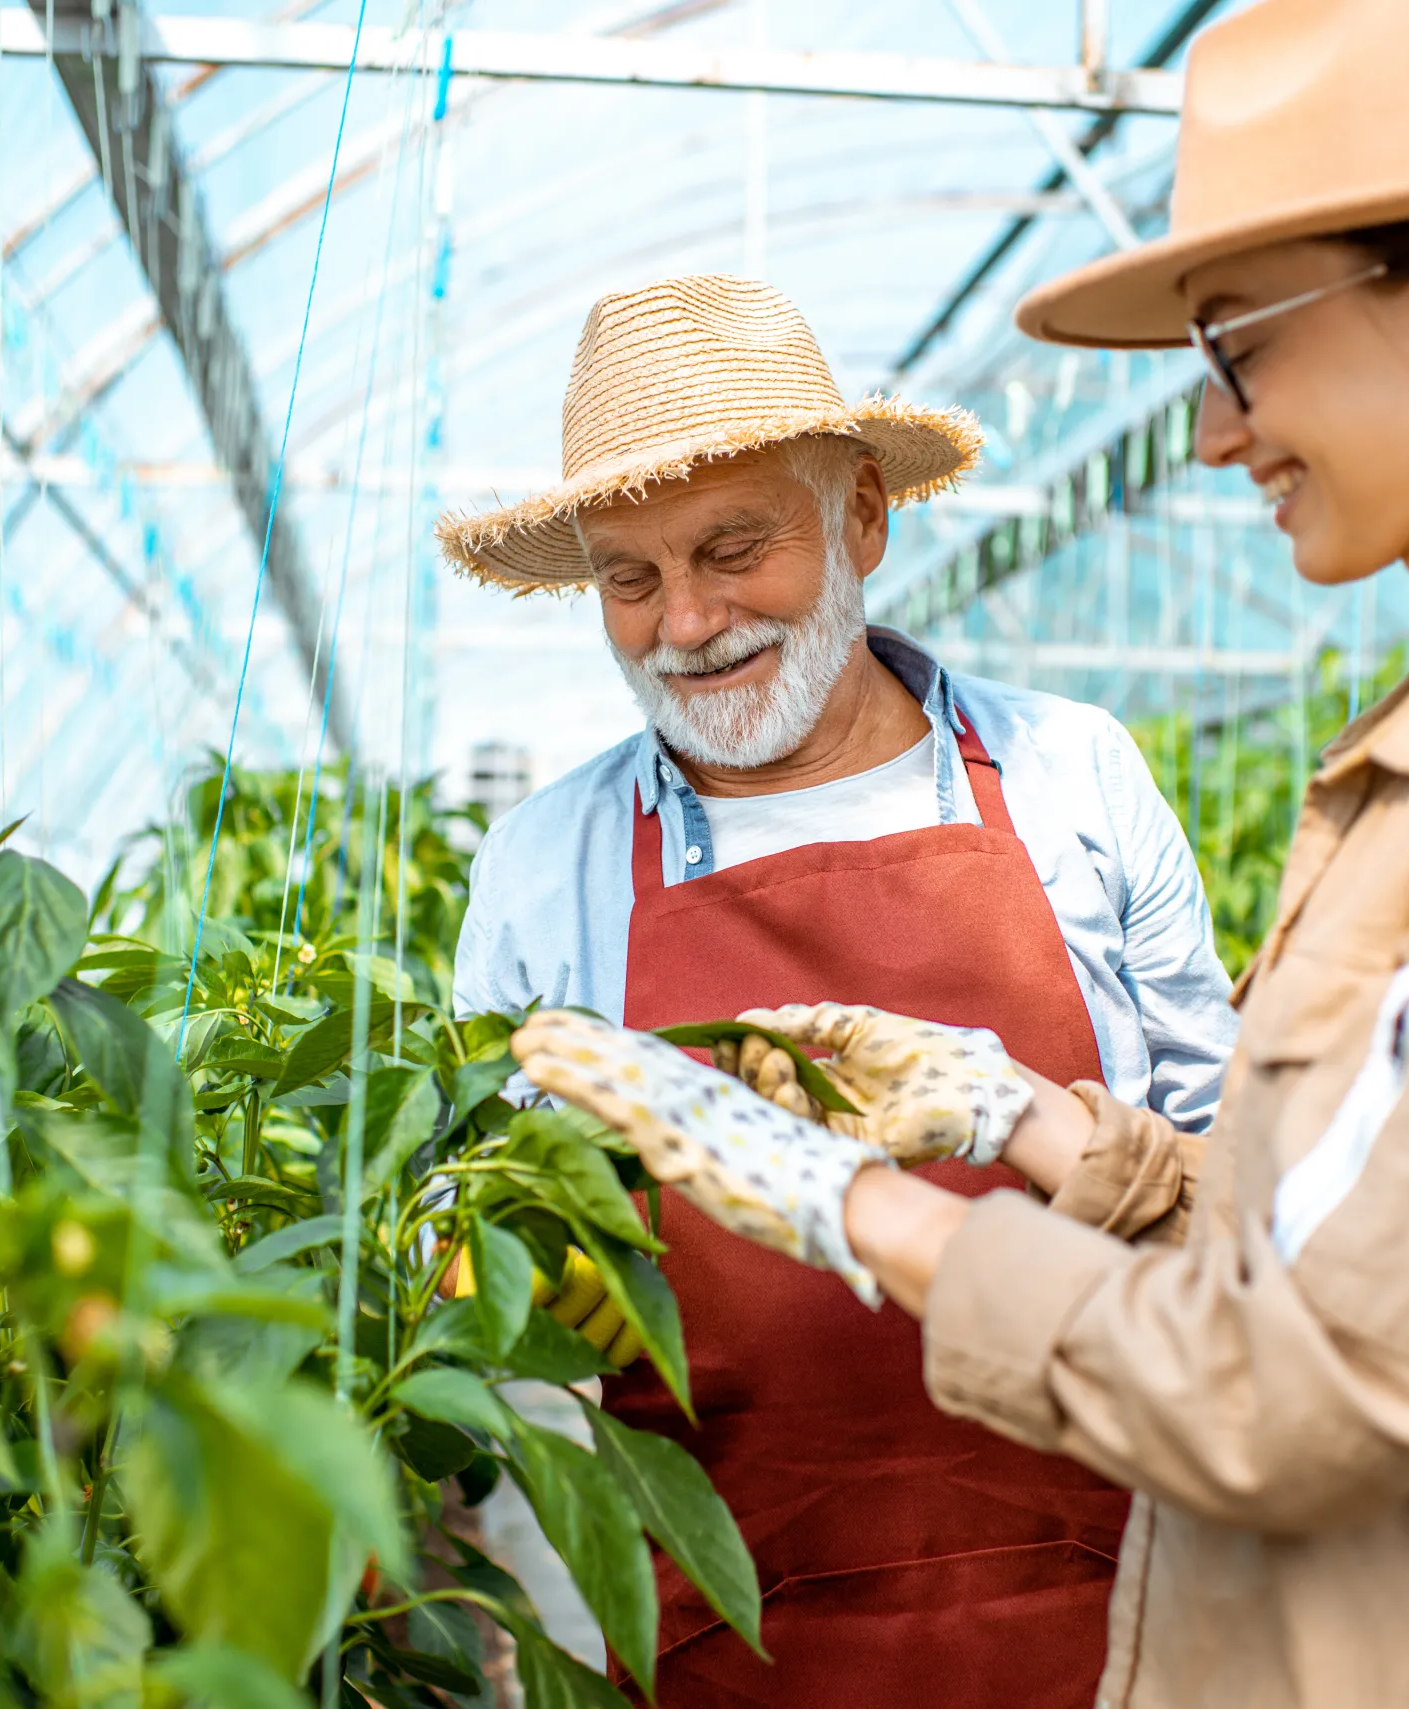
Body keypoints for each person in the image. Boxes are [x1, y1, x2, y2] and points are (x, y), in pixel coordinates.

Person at [509, 0, 1409, 1703]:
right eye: (632, 580)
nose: (1216, 431)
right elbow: (1338, 1234)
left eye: (1238, 348)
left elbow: (1311, 1386)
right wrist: (1040, 1125)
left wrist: (847, 1203)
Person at [437, 274, 1237, 1707]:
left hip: (1114, 1617)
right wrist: (515, 1247)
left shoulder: (1072, 781)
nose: (686, 621)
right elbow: (485, 1260)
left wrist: (1026, 1118)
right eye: (630, 577)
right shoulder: (545, 868)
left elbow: (1234, 1185)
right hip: (732, 1636)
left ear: (862, 514)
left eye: (735, 548)